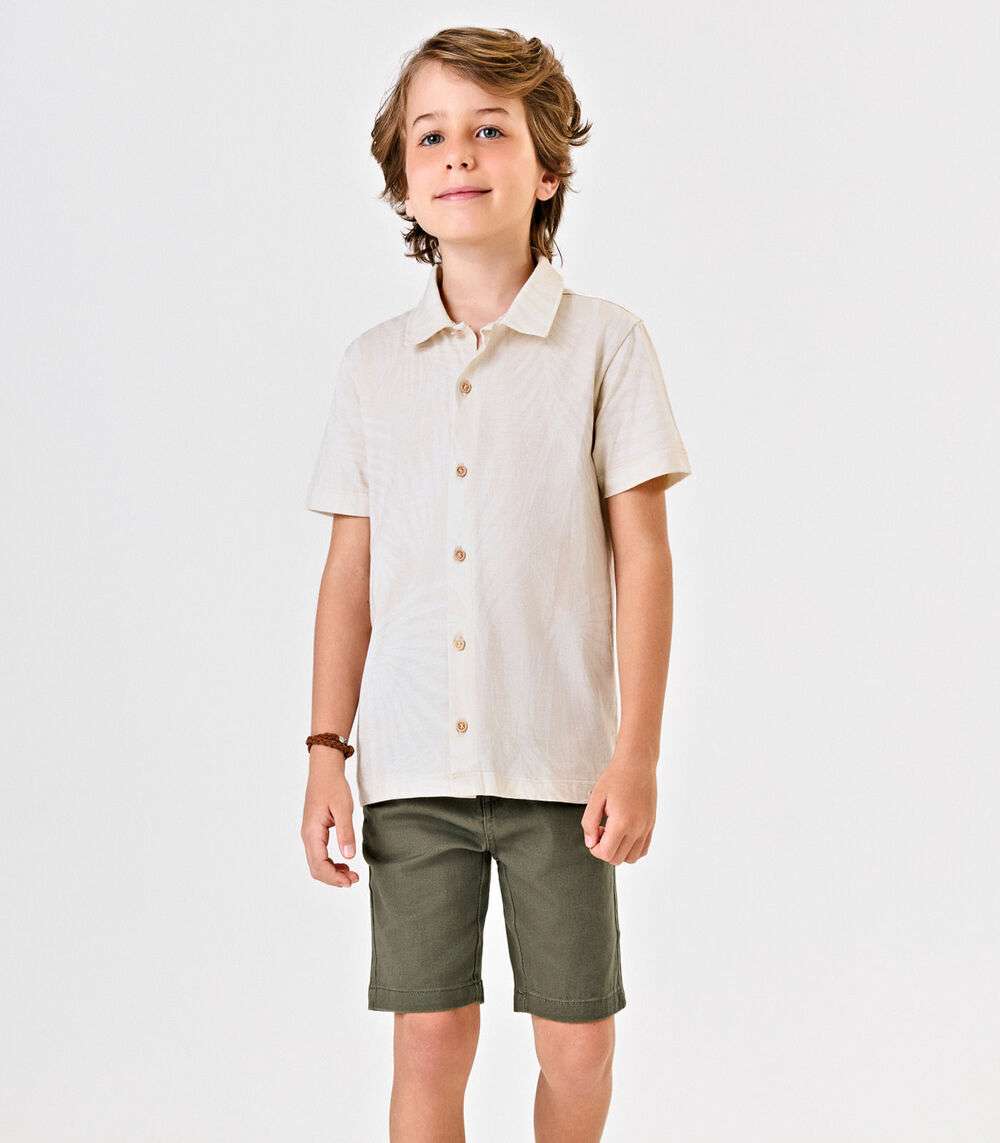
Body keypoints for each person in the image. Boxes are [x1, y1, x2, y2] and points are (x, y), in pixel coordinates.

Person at [301, 26, 692, 1142]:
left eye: (490, 130)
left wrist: (636, 752)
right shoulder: (372, 367)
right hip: (410, 767)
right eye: (431, 136)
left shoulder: (606, 346)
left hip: (561, 767)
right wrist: (325, 751)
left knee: (578, 1041)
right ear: (403, 181)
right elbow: (348, 575)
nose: (459, 154)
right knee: (428, 1038)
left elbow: (644, 558)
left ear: (547, 169)